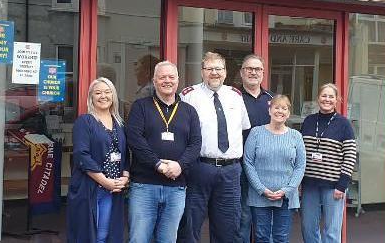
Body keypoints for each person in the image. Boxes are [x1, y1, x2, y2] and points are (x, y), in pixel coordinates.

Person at [178, 52, 251, 242]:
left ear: (225, 72)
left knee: (228, 228)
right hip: (199, 168)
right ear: (202, 72)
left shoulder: (235, 96)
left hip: (231, 171)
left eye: (219, 69)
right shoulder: (188, 96)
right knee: (190, 225)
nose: (214, 73)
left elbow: (243, 128)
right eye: (210, 69)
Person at [126, 61, 202, 243]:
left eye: (171, 77)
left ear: (178, 80)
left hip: (176, 187)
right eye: (162, 77)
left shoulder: (189, 111)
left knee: (168, 239)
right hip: (144, 185)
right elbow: (135, 141)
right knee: (139, 238)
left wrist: (180, 165)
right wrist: (157, 164)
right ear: (154, 81)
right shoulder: (140, 106)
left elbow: (196, 144)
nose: (167, 81)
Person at [68, 78, 130, 243]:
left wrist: (125, 176)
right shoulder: (85, 122)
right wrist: (104, 181)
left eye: (107, 92)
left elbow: (125, 154)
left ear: (113, 95)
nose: (103, 96)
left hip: (112, 190)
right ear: (91, 98)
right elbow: (82, 155)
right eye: (98, 92)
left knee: (104, 235)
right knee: (88, 236)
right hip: (91, 188)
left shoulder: (120, 123)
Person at [243, 95, 306, 243]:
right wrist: (261, 189)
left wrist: (287, 190)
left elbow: (300, 166)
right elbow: (248, 162)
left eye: (284, 108)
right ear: (269, 110)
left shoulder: (296, 136)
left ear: (288, 113)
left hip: (286, 197)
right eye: (276, 107)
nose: (280, 111)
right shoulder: (256, 133)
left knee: (281, 238)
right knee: (261, 237)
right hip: (260, 196)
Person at [300, 83, 357, 243]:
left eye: (331, 96)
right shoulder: (309, 121)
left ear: (337, 99)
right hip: (309, 184)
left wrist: (342, 185)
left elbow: (350, 155)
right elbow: (300, 151)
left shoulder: (344, 124)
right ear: (318, 98)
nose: (327, 99)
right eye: (324, 96)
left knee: (331, 231)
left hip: (334, 186)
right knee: (308, 227)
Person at [238, 54, 274, 243]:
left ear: (263, 73)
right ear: (241, 73)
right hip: (241, 168)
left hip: (267, 169)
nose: (253, 72)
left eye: (257, 69)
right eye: (249, 69)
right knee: (243, 218)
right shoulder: (232, 97)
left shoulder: (272, 100)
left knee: (264, 221)